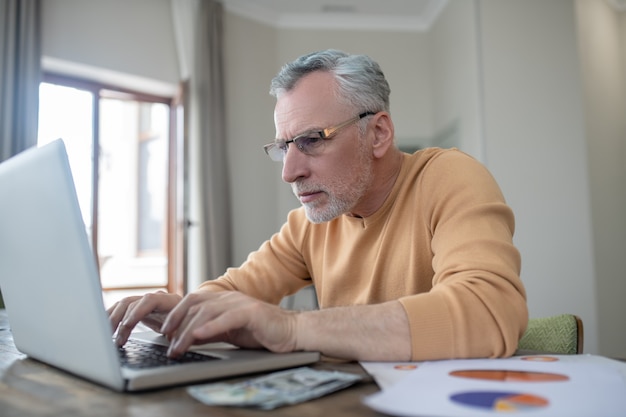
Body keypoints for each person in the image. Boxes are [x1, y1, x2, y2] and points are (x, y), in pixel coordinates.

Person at [109, 49, 527, 362]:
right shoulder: (308, 224)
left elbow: (489, 313)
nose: (289, 172)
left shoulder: (450, 178)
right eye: (284, 146)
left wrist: (291, 327)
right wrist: (179, 309)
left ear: (378, 133)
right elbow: (233, 295)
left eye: (311, 140)